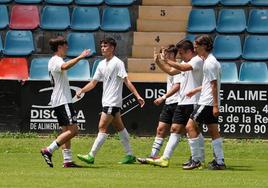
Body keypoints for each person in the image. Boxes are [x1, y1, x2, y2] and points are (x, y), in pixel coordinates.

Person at [76, 37, 145, 164]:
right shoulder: (101, 64)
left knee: (102, 126)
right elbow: (93, 83)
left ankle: (91, 155)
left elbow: (126, 81)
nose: (103, 48)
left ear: (112, 48)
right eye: (101, 46)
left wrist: (137, 95)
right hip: (107, 101)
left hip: (112, 101)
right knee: (119, 127)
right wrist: (82, 91)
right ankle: (130, 155)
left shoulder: (118, 63)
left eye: (105, 46)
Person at [147, 39, 204, 167]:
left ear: (189, 51)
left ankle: (198, 159)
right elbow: (172, 71)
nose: (180, 56)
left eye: (182, 53)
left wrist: (166, 60)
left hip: (194, 101)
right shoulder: (185, 61)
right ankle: (165, 158)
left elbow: (183, 67)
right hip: (183, 102)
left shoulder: (197, 61)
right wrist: (159, 62)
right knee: (175, 129)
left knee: (192, 130)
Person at [40, 36, 90, 168]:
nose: (67, 48)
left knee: (66, 131)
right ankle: (48, 150)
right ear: (60, 47)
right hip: (63, 100)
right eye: (65, 45)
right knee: (73, 130)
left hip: (59, 100)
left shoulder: (55, 60)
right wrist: (80, 57)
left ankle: (67, 160)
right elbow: (65, 66)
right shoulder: (56, 60)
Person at [182, 35, 226, 170]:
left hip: (207, 102)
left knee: (189, 127)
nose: (195, 49)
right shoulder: (211, 61)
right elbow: (211, 84)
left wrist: (215, 105)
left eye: (197, 46)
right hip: (209, 102)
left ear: (205, 46)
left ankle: (196, 160)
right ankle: (219, 161)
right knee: (214, 131)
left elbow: (213, 85)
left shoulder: (209, 63)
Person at [137, 45, 181, 164]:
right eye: (164, 53)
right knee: (161, 129)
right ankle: (153, 156)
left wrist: (163, 97)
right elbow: (168, 71)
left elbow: (177, 86)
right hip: (169, 103)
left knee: (187, 130)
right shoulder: (171, 68)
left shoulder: (180, 67)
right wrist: (157, 62)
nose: (165, 55)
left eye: (167, 53)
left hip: (179, 103)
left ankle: (197, 158)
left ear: (174, 54)